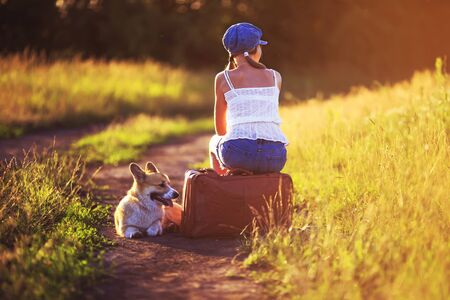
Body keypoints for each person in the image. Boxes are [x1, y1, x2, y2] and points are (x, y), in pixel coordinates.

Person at [209, 22, 289, 175]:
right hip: (275, 156)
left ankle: (224, 188)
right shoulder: (275, 76)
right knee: (260, 157)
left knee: (213, 142)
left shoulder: (222, 78)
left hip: (238, 154)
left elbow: (220, 130)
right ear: (255, 49)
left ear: (231, 52)